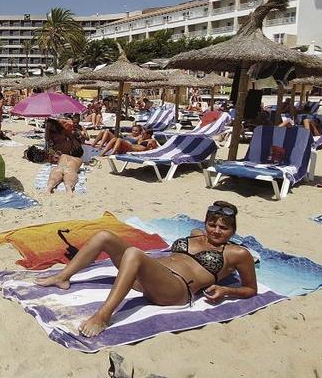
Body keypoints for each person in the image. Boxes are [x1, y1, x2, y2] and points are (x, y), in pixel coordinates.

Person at [37, 201, 257, 337]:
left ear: (233, 230)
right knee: (105, 236)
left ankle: (103, 316)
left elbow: (250, 289)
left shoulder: (237, 253)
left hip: (174, 291)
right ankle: (62, 276)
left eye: (224, 228)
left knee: (133, 253)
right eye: (212, 224)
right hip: (147, 277)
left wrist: (226, 290)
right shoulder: (195, 233)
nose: (217, 231)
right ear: (205, 222)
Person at [44, 118, 85, 194]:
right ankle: (68, 187)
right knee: (70, 172)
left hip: (62, 160)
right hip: (68, 163)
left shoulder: (64, 155)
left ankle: (49, 187)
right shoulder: (78, 160)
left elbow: (72, 139)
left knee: (58, 170)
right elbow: (47, 143)